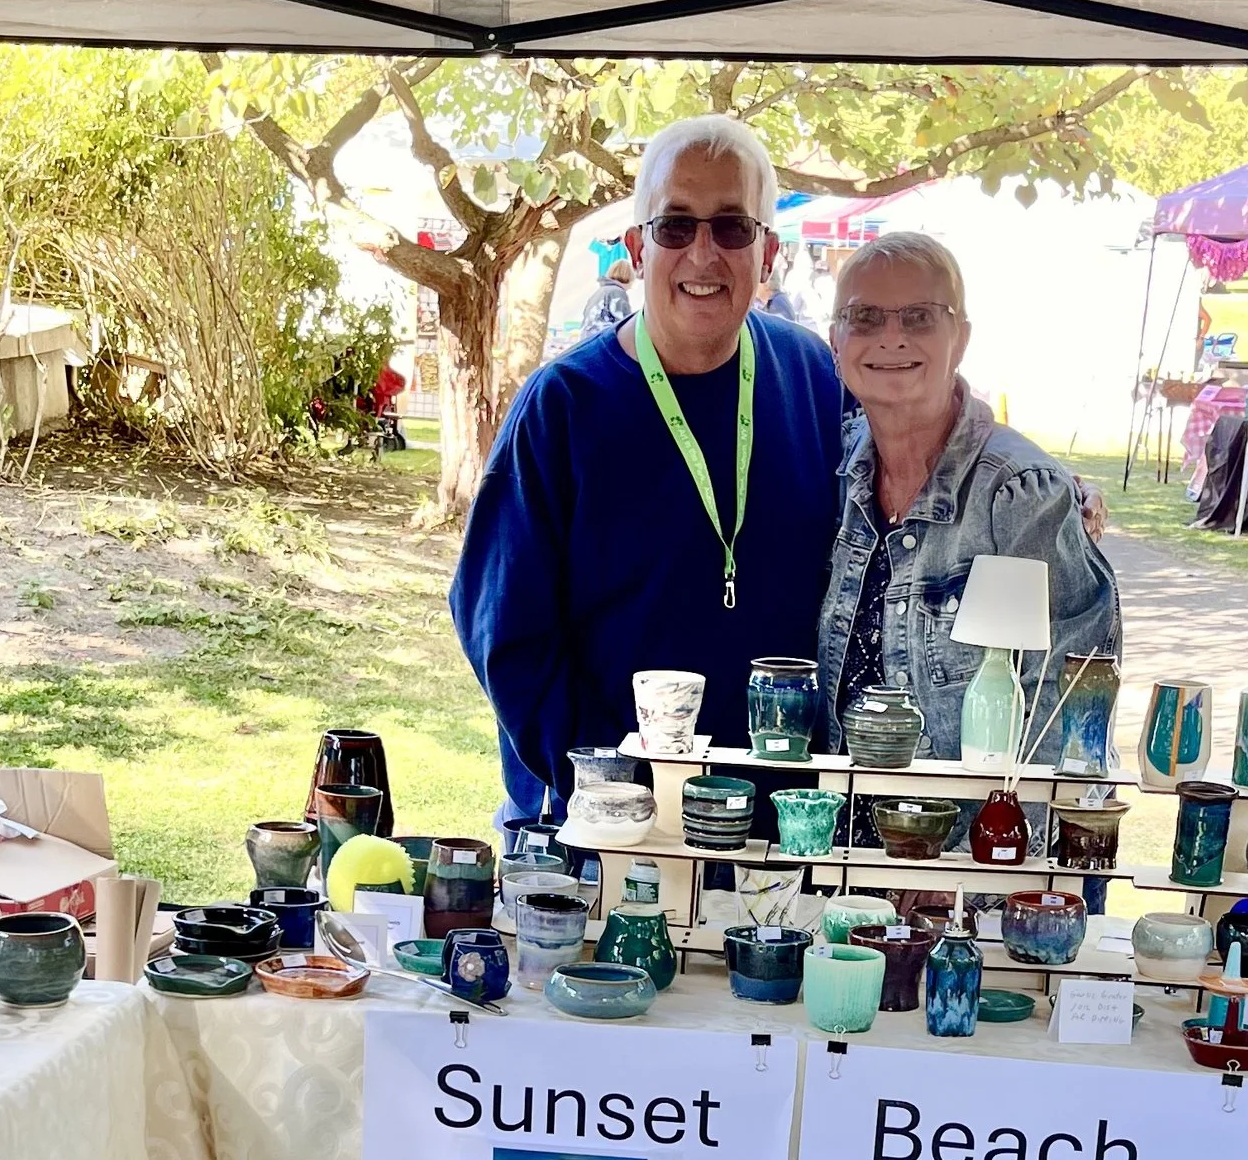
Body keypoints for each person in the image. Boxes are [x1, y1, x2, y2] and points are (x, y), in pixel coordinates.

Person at [451, 116, 845, 829]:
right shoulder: (562, 407)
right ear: (636, 248)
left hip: (778, 830)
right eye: (674, 227)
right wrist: (610, 786)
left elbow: (921, 465)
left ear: (770, 254)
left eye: (732, 228)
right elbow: (504, 632)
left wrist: (1044, 485)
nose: (702, 253)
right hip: (604, 831)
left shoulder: (817, 377)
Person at [814, 230, 1119, 762]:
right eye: (865, 317)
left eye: (919, 317)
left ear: (962, 337)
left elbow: (1068, 712)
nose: (891, 338)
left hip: (966, 838)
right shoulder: (832, 468)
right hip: (839, 829)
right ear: (835, 341)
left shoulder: (1021, 496)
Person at [579, 258, 632, 335]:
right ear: (629, 278)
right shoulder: (617, 293)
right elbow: (625, 325)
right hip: (603, 341)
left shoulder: (598, 293)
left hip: (588, 339)